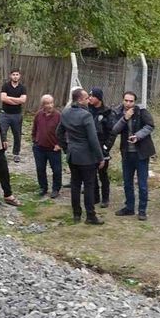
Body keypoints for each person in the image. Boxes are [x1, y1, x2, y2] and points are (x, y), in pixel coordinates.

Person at [57, 88, 105, 225]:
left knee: (75, 185)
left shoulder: (65, 113)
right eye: (86, 98)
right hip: (86, 157)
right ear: (79, 100)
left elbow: (59, 132)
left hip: (73, 155)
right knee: (89, 186)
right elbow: (93, 139)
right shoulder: (86, 115)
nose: (88, 100)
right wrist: (100, 157)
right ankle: (90, 216)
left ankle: (76, 214)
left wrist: (66, 148)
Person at [112, 91, 155, 221]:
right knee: (127, 182)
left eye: (131, 101)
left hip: (141, 153)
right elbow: (114, 130)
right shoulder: (118, 112)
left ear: (135, 102)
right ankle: (129, 207)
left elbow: (150, 125)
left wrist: (138, 136)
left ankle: (142, 210)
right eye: (126, 100)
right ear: (123, 100)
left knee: (142, 184)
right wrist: (125, 118)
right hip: (127, 153)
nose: (128, 103)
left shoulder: (141, 112)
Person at [88, 87, 117, 208]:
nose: (89, 98)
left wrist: (105, 148)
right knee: (91, 174)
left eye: (92, 96)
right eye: (89, 95)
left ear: (98, 98)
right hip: (89, 148)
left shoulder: (107, 113)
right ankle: (95, 196)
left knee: (102, 174)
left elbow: (112, 133)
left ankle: (105, 198)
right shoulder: (87, 110)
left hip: (102, 148)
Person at [31, 94, 62, 198]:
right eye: (47, 103)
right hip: (39, 147)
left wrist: (59, 144)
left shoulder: (58, 116)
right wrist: (35, 140)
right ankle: (43, 187)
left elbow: (64, 131)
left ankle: (56, 189)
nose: (50, 105)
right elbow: (34, 129)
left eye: (51, 103)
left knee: (56, 170)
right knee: (40, 169)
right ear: (43, 105)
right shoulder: (38, 115)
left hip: (53, 148)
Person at [0, 68, 27, 163]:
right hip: (5, 114)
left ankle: (16, 154)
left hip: (17, 115)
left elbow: (23, 100)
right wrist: (17, 100)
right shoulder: (5, 86)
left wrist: (9, 99)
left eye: (17, 74)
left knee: (17, 135)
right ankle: (1, 152)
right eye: (13, 74)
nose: (15, 76)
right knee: (2, 133)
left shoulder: (22, 88)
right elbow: (3, 98)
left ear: (19, 76)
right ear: (10, 76)